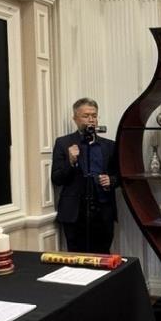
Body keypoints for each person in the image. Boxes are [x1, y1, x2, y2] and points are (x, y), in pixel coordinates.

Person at [51, 97, 118, 254]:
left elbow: (119, 175)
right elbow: (57, 178)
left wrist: (112, 180)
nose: (91, 120)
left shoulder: (109, 145)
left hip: (103, 211)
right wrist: (71, 161)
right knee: (77, 258)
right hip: (74, 212)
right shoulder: (63, 143)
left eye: (94, 116)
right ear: (75, 118)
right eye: (86, 116)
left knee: (103, 256)